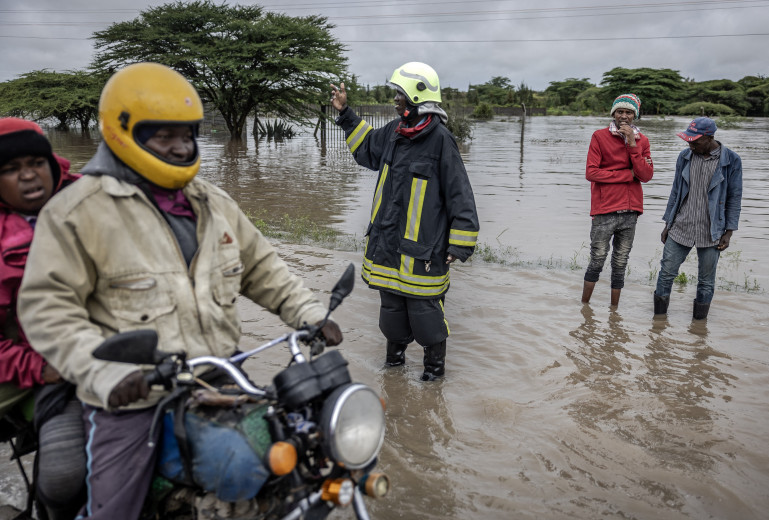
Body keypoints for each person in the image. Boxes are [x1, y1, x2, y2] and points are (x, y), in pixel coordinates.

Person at [17, 62, 342, 520]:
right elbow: (48, 311)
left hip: (222, 378)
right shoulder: (77, 212)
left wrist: (310, 314)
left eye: (186, 134)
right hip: (134, 401)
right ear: (122, 132)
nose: (180, 146)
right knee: (114, 511)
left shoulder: (214, 202)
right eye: (163, 135)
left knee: (293, 472)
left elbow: (263, 268)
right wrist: (108, 376)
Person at [329, 61, 479, 382]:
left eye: (399, 95)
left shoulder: (440, 140)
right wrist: (344, 114)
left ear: (416, 96)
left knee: (427, 321)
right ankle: (393, 375)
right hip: (387, 249)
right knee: (392, 317)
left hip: (423, 255)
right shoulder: (394, 133)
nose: (395, 100)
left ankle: (433, 379)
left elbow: (460, 195)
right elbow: (366, 147)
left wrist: (459, 243)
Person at [0, 118, 85, 520]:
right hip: (40, 367)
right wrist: (42, 368)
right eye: (10, 169)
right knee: (65, 476)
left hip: (118, 344)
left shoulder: (92, 198)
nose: (28, 175)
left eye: (36, 161)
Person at [653, 117, 742, 320]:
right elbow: (675, 192)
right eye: (688, 141)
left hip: (712, 230)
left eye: (695, 141)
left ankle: (699, 327)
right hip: (681, 226)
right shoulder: (685, 156)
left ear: (709, 138)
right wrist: (668, 223)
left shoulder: (731, 161)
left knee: (706, 281)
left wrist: (729, 232)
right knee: (666, 273)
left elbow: (734, 198)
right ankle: (657, 323)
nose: (690, 145)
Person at [582, 93, 654, 307]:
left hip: (631, 211)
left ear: (635, 116)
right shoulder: (599, 136)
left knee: (621, 262)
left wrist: (632, 144)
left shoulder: (643, 140)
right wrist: (627, 175)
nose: (624, 116)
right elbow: (592, 173)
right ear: (613, 113)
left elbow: (646, 175)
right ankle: (584, 307)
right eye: (620, 111)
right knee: (597, 259)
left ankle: (615, 312)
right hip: (604, 210)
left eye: (629, 112)